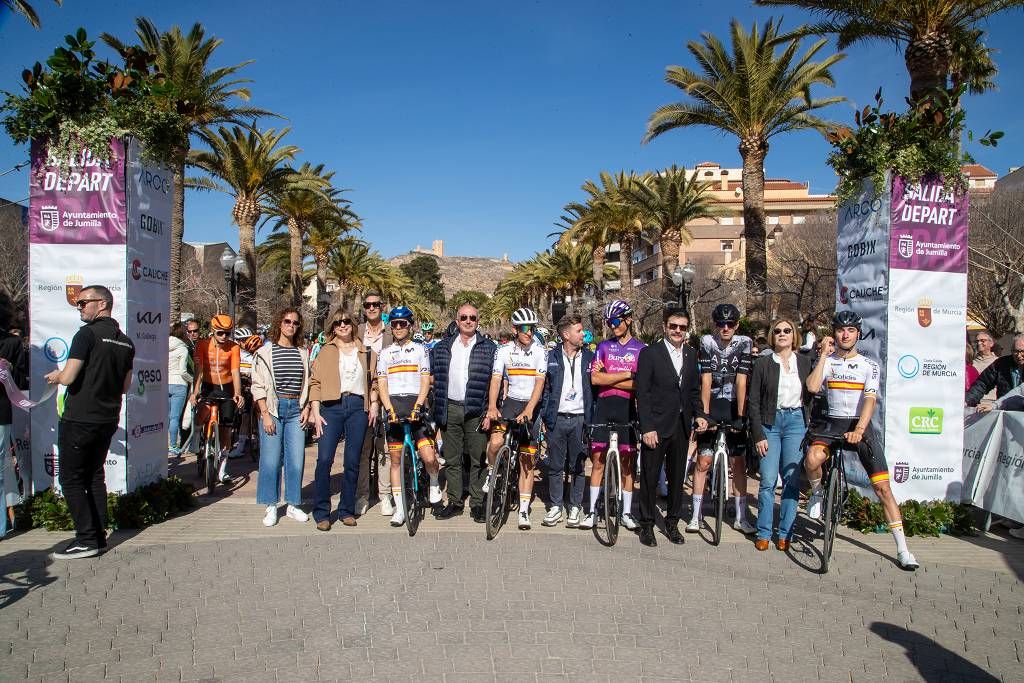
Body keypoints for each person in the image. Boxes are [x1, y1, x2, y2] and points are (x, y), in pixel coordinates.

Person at [805, 310, 919, 570]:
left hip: (859, 424)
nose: (845, 334)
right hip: (832, 422)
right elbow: (812, 387)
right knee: (812, 459)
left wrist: (860, 429)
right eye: (840, 330)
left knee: (883, 489)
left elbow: (869, 400)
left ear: (857, 333)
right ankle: (818, 494)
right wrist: (823, 354)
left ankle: (903, 549)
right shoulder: (828, 361)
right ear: (834, 333)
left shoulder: (869, 365)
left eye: (850, 330)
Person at [44, 285, 134, 560]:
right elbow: (125, 386)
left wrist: (56, 376)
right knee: (94, 475)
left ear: (102, 304)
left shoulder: (86, 335)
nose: (80, 307)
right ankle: (98, 537)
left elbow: (70, 377)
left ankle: (86, 539)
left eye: (83, 302)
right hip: (107, 417)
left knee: (71, 479)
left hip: (80, 417)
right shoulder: (126, 342)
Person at [635, 308, 706, 546]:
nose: (678, 331)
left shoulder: (691, 354)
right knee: (649, 476)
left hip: (681, 426)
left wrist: (700, 414)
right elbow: (642, 394)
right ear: (665, 326)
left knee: (677, 478)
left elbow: (693, 391)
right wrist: (647, 427)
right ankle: (646, 524)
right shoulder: (649, 354)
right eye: (674, 326)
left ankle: (672, 522)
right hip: (656, 425)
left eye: (682, 327)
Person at [579, 300, 645, 531]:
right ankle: (592, 510)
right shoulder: (603, 347)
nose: (612, 326)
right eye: (609, 322)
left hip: (627, 408)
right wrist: (627, 372)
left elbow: (640, 384)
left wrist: (611, 374)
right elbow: (596, 380)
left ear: (628, 319)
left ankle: (626, 512)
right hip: (604, 407)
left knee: (627, 465)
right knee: (597, 462)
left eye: (616, 321)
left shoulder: (641, 349)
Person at [308, 309, 377, 530]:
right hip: (331, 407)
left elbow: (373, 382)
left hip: (358, 407)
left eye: (346, 321)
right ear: (332, 327)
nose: (342, 325)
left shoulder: (366, 352)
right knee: (325, 459)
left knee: (352, 461)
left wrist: (373, 404)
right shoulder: (325, 351)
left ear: (353, 324)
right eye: (338, 323)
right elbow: (315, 382)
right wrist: (315, 411)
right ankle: (322, 513)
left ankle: (346, 509)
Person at [747, 318, 812, 551]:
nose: (782, 334)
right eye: (778, 331)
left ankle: (786, 532)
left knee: (792, 480)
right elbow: (753, 401)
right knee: (767, 480)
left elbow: (813, 392)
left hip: (796, 422)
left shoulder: (805, 363)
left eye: (787, 330)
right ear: (772, 336)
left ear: (794, 335)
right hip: (770, 423)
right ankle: (764, 532)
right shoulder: (763, 364)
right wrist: (758, 434)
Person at [691, 303, 756, 535]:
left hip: (733, 404)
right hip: (713, 403)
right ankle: (695, 516)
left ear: (737, 325)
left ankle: (741, 517)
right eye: (721, 324)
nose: (725, 328)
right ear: (715, 325)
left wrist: (740, 416)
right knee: (703, 461)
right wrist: (705, 415)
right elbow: (706, 380)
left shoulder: (745, 343)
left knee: (739, 462)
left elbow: (741, 382)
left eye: (730, 324)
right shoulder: (707, 342)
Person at [377, 306, 443, 526]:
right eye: (394, 324)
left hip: (416, 404)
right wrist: (388, 408)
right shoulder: (385, 353)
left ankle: (433, 479)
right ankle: (400, 508)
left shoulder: (420, 350)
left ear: (409, 325)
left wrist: (418, 405)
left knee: (428, 457)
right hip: (394, 405)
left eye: (402, 323)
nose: (398, 328)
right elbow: (382, 383)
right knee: (395, 460)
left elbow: (425, 380)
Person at [431, 303, 496, 522]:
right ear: (457, 321)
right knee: (452, 459)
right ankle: (456, 502)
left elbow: (495, 383)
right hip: (449, 408)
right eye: (464, 317)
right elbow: (432, 379)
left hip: (476, 409)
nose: (469, 321)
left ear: (478, 322)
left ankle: (477, 504)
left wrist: (490, 411)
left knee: (478, 458)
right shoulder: (441, 347)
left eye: (473, 318)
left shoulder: (489, 348)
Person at [482, 308, 547, 529]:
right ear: (515, 329)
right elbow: (496, 379)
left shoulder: (540, 351)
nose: (530, 332)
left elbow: (539, 384)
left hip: (531, 404)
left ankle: (523, 510)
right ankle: (492, 472)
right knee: (496, 441)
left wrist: (529, 409)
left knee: (526, 461)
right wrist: (492, 406)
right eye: (526, 328)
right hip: (510, 402)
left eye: (533, 328)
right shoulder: (504, 350)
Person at [251, 308, 311, 527]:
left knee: (296, 459)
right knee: (270, 459)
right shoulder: (265, 352)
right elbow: (257, 385)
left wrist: (305, 408)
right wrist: (265, 414)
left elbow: (309, 383)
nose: (291, 326)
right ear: (279, 324)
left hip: (296, 408)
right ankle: (271, 504)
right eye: (287, 321)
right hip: (273, 409)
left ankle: (294, 504)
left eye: (295, 323)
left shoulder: (303, 352)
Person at [540, 314, 594, 528]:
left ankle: (575, 506)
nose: (583, 334)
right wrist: (546, 415)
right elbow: (545, 388)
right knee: (555, 465)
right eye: (579, 331)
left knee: (578, 465)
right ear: (566, 334)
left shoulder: (590, 357)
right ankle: (555, 506)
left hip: (581, 419)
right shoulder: (550, 357)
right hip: (557, 418)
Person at [190, 314, 244, 482]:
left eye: (227, 333)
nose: (223, 337)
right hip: (208, 386)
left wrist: (238, 392)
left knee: (226, 428)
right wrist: (195, 391)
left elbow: (235, 371)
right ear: (213, 331)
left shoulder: (234, 347)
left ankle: (222, 469)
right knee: (202, 413)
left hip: (226, 388)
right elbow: (199, 370)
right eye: (220, 333)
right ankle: (197, 435)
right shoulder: (202, 345)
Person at [355, 291, 394, 516]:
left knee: (385, 449)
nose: (371, 308)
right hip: (362, 396)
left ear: (382, 307)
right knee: (363, 449)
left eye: (376, 304)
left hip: (387, 396)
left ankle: (385, 495)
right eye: (368, 305)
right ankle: (362, 495)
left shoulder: (392, 331)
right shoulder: (356, 332)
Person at [0, 293, 27, 540]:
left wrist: (6, 369)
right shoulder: (12, 342)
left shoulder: (11, 343)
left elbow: (18, 381)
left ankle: (1, 524)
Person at [966, 334, 1024, 412]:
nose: (1019, 355)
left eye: (1022, 351)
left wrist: (995, 405)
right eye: (1015, 351)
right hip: (1004, 414)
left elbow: (1020, 390)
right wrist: (967, 401)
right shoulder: (1001, 363)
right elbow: (982, 383)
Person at [167, 322, 193, 456]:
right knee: (175, 417)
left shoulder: (163, 346)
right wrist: (193, 380)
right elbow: (183, 371)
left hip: (166, 383)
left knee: (167, 416)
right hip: (179, 384)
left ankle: (165, 444)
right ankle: (173, 445)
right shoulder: (183, 348)